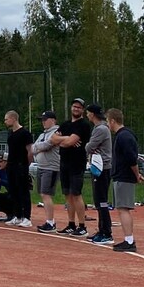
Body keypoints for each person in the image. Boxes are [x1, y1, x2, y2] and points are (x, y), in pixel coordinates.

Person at [51, 98, 92, 236]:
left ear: (83, 110)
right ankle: (71, 224)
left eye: (79, 107)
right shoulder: (65, 124)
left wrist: (64, 140)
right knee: (67, 195)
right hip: (64, 163)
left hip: (77, 163)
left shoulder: (84, 125)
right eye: (74, 106)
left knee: (76, 194)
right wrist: (66, 139)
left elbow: (69, 142)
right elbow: (53, 139)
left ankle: (82, 226)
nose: (76, 109)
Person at [107, 108, 144, 252]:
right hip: (121, 176)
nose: (108, 124)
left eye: (108, 121)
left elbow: (131, 158)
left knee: (123, 209)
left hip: (123, 177)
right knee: (122, 208)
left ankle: (129, 240)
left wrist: (136, 174)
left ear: (112, 121)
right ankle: (128, 239)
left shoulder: (124, 136)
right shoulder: (124, 135)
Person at [85, 103, 115, 244]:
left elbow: (89, 147)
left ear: (92, 114)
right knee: (98, 200)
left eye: (88, 113)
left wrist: (88, 146)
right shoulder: (99, 128)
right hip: (98, 167)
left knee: (101, 200)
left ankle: (106, 232)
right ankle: (102, 229)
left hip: (102, 168)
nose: (87, 115)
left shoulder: (101, 129)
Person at [0, 110, 34, 227]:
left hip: (21, 165)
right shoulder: (10, 134)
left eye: (6, 119)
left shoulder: (25, 133)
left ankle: (27, 217)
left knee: (23, 191)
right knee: (14, 191)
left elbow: (30, 151)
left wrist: (25, 165)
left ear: (13, 119)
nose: (5, 121)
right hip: (11, 166)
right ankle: (18, 216)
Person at [32, 111, 61, 232]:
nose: (43, 122)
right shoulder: (43, 134)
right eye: (42, 120)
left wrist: (40, 146)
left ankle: (51, 222)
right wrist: (40, 147)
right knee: (42, 194)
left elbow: (47, 145)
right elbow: (33, 148)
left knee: (46, 194)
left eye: (45, 119)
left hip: (51, 167)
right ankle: (49, 221)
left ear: (53, 120)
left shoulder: (57, 132)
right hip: (41, 166)